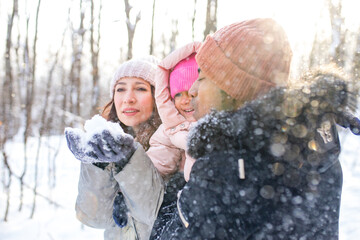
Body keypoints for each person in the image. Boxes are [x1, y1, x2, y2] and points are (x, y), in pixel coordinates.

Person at [161, 18, 360, 239]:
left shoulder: (231, 166)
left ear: (235, 89)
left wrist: (176, 197)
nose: (192, 89)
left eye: (203, 77)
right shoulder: (310, 146)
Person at [65, 56, 169, 240]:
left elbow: (155, 216)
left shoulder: (172, 143)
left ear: (157, 95)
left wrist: (129, 159)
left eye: (140, 88)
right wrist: (96, 164)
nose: (128, 98)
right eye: (120, 89)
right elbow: (94, 218)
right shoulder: (106, 142)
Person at [148, 42, 200, 239]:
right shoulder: (171, 128)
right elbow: (157, 163)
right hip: (178, 201)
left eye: (190, 92)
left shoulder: (215, 125)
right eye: (178, 94)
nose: (185, 99)